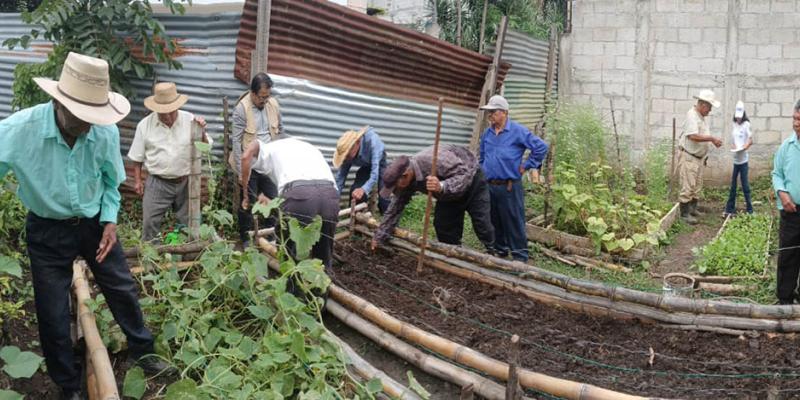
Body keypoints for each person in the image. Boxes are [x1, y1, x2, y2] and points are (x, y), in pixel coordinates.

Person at [0, 52, 172, 400]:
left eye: (94, 117)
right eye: (81, 117)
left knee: (122, 288)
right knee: (51, 312)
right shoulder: (16, 132)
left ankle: (143, 350)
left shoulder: (103, 133)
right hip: (47, 231)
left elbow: (111, 182)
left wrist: (110, 220)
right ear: (57, 103)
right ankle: (68, 384)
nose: (88, 125)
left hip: (95, 226)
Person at [128, 82, 212, 241]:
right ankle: (151, 258)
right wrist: (138, 181)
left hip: (186, 181)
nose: (167, 116)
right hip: (157, 182)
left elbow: (206, 148)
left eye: (171, 112)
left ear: (176, 107)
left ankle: (190, 254)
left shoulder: (191, 120)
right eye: (162, 113)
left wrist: (202, 132)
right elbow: (137, 157)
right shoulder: (144, 125)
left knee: (190, 222)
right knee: (150, 222)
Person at [370, 144, 495, 252]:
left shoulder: (434, 160)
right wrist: (379, 236)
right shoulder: (406, 181)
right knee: (443, 226)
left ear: (406, 175)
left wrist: (441, 186)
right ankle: (453, 255)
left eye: (395, 187)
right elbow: (395, 208)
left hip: (471, 180)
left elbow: (463, 174)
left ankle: (494, 253)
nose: (395, 192)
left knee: (482, 223)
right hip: (447, 193)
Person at [239, 135, 339, 268]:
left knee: (289, 257)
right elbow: (309, 191)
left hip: (300, 195)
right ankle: (322, 285)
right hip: (330, 196)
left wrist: (246, 194)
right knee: (323, 259)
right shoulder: (307, 148)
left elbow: (245, 156)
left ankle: (292, 286)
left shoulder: (267, 148)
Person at [478, 95, 548, 262]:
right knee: (493, 219)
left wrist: (526, 165)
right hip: (490, 185)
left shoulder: (517, 131)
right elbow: (482, 156)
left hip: (509, 186)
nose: (489, 115)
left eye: (493, 112)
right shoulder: (487, 134)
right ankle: (500, 250)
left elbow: (541, 147)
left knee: (514, 220)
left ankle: (520, 256)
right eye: (489, 112)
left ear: (504, 113)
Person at [231, 72, 282, 247]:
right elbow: (236, 142)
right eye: (262, 97)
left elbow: (279, 130)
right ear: (253, 93)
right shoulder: (241, 109)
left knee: (272, 199)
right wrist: (240, 172)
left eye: (267, 96)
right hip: (249, 165)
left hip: (268, 164)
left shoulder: (273, 105)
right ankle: (245, 238)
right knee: (248, 201)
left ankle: (269, 236)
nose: (265, 100)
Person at [677, 89, 723, 224]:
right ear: (703, 105)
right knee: (688, 185)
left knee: (696, 185)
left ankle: (692, 209)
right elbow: (692, 136)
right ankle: (684, 214)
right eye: (709, 107)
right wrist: (711, 138)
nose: (710, 110)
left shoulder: (700, 117)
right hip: (689, 156)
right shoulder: (692, 115)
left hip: (697, 157)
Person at [771, 99, 800, 305]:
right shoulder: (787, 147)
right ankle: (785, 299)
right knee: (788, 254)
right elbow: (776, 174)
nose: (796, 123)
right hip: (791, 211)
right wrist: (782, 193)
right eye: (795, 118)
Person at [333, 126, 389, 213]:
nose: (346, 157)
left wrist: (364, 189)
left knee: (384, 196)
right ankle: (356, 217)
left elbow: (375, 173)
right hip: (366, 165)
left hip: (379, 162)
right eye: (345, 156)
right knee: (356, 190)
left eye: (347, 154)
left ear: (357, 143)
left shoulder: (372, 141)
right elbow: (341, 177)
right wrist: (334, 199)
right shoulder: (348, 155)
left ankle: (388, 219)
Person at [724, 101, 754, 217]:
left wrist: (743, 148)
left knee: (745, 186)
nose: (738, 119)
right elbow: (734, 141)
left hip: (743, 161)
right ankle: (729, 209)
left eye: (740, 117)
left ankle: (750, 210)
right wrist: (734, 147)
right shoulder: (734, 124)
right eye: (736, 117)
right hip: (736, 160)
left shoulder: (746, 124)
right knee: (733, 186)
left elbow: (750, 141)